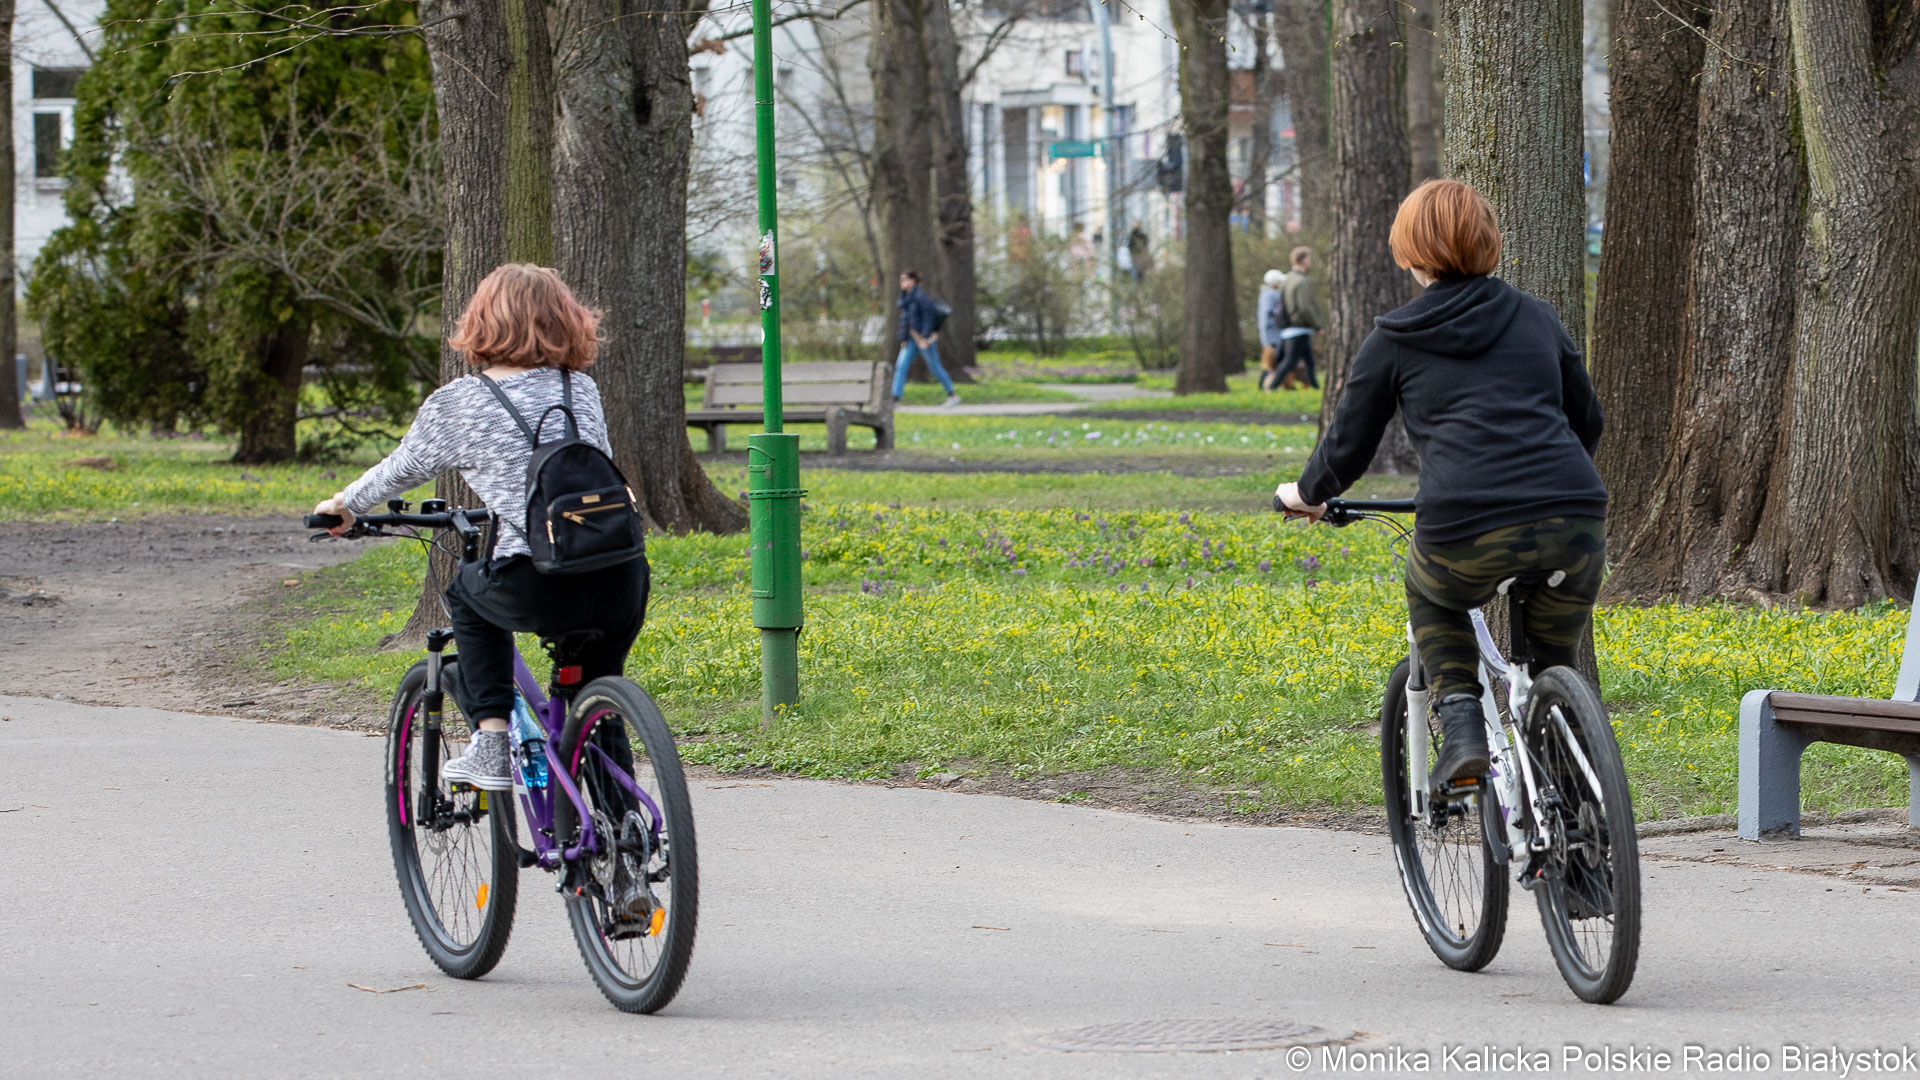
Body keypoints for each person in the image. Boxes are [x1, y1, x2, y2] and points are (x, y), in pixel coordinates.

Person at [1274, 180, 1606, 790]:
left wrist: (1306, 492)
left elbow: (1347, 445)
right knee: (1555, 668)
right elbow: (1588, 418)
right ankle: (1582, 833)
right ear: (1489, 242)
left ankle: (1460, 727)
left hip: (1464, 521)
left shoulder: (1394, 339)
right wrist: (1551, 487)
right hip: (1574, 517)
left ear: (1409, 251)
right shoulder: (1536, 317)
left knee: (1435, 595)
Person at [310, 264, 651, 790]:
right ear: (567, 320)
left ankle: (490, 742)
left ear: (482, 322)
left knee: (467, 593)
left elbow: (401, 469)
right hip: (619, 574)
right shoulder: (579, 387)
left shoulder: (460, 402)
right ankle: (622, 844)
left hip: (539, 579)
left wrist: (343, 504)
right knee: (596, 696)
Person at [891, 269, 960, 407]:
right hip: (910, 340)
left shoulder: (920, 297)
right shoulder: (905, 299)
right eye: (901, 279)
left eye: (904, 279)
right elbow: (905, 321)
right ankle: (894, 399)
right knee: (901, 366)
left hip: (923, 339)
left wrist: (925, 336)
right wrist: (903, 337)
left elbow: (928, 317)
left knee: (934, 367)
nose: (902, 282)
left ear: (913, 280)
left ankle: (952, 395)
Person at [1269, 246, 1323, 390]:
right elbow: (1305, 307)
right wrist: (1318, 325)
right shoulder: (1302, 281)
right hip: (1299, 327)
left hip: (1290, 326)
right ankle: (1272, 387)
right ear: (1304, 260)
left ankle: (1315, 387)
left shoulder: (1287, 280)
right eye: (1309, 258)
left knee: (1309, 361)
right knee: (1290, 361)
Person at [1256, 268, 1288, 388]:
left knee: (1273, 362)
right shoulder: (1269, 295)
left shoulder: (1268, 294)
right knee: (1271, 362)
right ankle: (1266, 385)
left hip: (1273, 335)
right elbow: (1267, 316)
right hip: (1272, 336)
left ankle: (1271, 384)